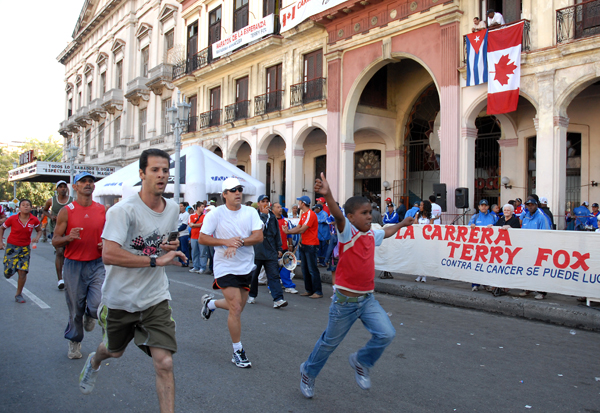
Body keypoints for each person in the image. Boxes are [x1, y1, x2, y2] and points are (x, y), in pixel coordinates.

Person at [78, 149, 185, 413]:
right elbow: (109, 254)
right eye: (155, 170)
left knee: (165, 363)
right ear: (142, 173)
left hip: (155, 297)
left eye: (165, 170)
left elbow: (162, 245)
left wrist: (169, 247)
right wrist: (154, 260)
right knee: (113, 351)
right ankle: (94, 361)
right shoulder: (122, 211)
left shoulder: (172, 208)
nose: (161, 175)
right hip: (121, 298)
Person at [299, 172, 414, 399]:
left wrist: (401, 223)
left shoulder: (371, 234)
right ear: (351, 217)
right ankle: (308, 372)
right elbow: (336, 214)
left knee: (386, 334)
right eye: (364, 213)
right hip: (344, 303)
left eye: (370, 212)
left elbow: (386, 232)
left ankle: (361, 361)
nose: (369, 217)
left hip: (367, 300)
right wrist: (328, 195)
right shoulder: (346, 232)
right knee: (328, 344)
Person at [199, 177, 264, 368]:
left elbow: (258, 236)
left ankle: (210, 303)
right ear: (224, 194)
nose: (238, 193)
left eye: (240, 189)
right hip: (224, 265)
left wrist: (239, 242)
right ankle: (238, 351)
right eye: (233, 190)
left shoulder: (251, 211)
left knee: (238, 307)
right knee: (235, 307)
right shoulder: (215, 214)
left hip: (245, 266)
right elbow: (203, 238)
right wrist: (225, 242)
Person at [52, 172, 106, 360]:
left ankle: (90, 314)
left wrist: (105, 243)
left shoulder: (102, 210)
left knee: (98, 304)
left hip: (97, 263)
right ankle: (75, 341)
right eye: (83, 181)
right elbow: (55, 240)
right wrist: (68, 237)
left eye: (91, 181)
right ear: (75, 187)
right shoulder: (67, 211)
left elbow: (110, 234)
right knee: (75, 309)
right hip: (74, 265)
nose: (88, 184)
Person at [247, 195, 288, 308]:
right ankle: (252, 294)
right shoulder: (254, 215)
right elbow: (258, 229)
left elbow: (276, 234)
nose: (265, 203)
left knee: (274, 275)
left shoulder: (272, 216)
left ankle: (278, 299)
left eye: (267, 201)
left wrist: (279, 248)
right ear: (258, 203)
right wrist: (264, 216)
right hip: (257, 249)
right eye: (262, 201)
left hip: (270, 250)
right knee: (254, 275)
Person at [0, 199, 41, 303]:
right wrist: (1, 242)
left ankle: (18, 294)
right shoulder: (12, 219)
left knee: (23, 272)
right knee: (8, 273)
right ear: (19, 208)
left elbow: (39, 230)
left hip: (25, 249)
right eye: (23, 205)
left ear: (31, 208)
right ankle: (9, 268)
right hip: (12, 247)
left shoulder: (34, 220)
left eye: (28, 205)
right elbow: (2, 228)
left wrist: (37, 237)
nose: (26, 207)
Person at [283, 195, 322, 299]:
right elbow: (299, 227)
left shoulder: (310, 214)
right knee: (305, 269)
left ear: (303, 203)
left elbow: (302, 229)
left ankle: (318, 291)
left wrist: (288, 232)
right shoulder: (304, 214)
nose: (298, 204)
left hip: (311, 245)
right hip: (305, 244)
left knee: (312, 269)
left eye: (299, 202)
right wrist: (289, 232)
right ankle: (309, 290)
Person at [43, 180, 74, 290]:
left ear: (67, 188)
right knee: (60, 252)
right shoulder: (52, 201)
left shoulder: (72, 201)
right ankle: (60, 279)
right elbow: (44, 210)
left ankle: (68, 276)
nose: (62, 189)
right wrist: (51, 217)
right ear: (57, 189)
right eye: (60, 187)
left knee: (68, 254)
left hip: (69, 229)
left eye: (64, 187)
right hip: (55, 229)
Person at [520, 197, 551, 301]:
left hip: (538, 248)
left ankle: (541, 292)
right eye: (528, 205)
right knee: (527, 269)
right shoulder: (525, 217)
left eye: (532, 205)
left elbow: (546, 233)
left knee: (539, 270)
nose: (530, 207)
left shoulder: (542, 217)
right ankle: (527, 288)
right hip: (527, 248)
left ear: (536, 205)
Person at [469, 200, 497, 291]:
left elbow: (498, 228)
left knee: (488, 264)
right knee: (476, 264)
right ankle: (475, 284)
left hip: (490, 245)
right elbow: (468, 228)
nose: (483, 207)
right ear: (479, 207)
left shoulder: (493, 217)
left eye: (485, 205)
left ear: (488, 207)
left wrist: (493, 226)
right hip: (478, 245)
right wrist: (471, 225)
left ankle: (486, 283)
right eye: (482, 205)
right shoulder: (475, 217)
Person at [273, 202, 298, 294]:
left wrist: (290, 245)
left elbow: (289, 234)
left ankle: (288, 285)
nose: (280, 209)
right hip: (274, 248)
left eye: (280, 207)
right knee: (274, 268)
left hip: (284, 247)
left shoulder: (286, 221)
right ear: (273, 210)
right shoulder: (271, 220)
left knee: (286, 267)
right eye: (278, 207)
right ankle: (273, 286)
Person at [414, 200, 433, 283]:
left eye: (421, 205)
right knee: (419, 257)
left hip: (426, 239)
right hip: (419, 238)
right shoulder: (418, 215)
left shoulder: (431, 216)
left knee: (425, 257)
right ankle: (419, 274)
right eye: (420, 205)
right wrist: (416, 218)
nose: (420, 207)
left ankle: (424, 275)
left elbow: (431, 228)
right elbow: (415, 225)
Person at [188, 202, 207, 273]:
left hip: (202, 237)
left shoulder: (205, 216)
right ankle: (196, 266)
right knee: (194, 252)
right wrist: (199, 224)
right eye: (202, 207)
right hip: (193, 236)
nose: (203, 208)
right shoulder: (192, 216)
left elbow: (203, 225)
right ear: (198, 208)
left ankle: (202, 267)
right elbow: (190, 225)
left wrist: (195, 225)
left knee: (202, 253)